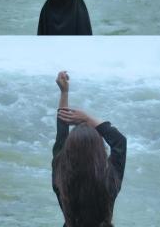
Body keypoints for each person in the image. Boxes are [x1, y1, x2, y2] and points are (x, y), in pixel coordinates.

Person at [52, 71, 126, 227]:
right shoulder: (110, 182)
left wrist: (64, 93)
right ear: (100, 152)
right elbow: (120, 142)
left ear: (68, 154)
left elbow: (61, 138)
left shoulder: (62, 181)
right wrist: (88, 119)